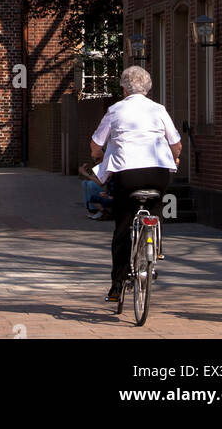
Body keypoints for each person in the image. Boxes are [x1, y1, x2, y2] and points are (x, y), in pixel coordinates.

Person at [90, 66, 182, 303]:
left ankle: (117, 285)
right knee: (155, 204)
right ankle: (154, 240)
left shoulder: (115, 110)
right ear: (148, 88)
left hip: (127, 174)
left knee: (122, 227)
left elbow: (95, 143)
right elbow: (176, 143)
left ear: (124, 88)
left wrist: (98, 156)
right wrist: (176, 157)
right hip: (158, 172)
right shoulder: (158, 109)